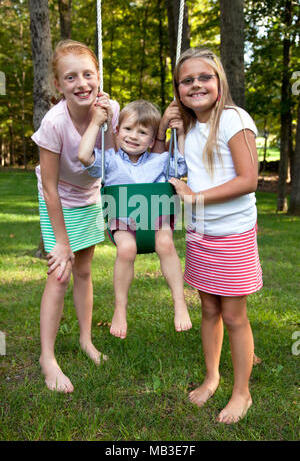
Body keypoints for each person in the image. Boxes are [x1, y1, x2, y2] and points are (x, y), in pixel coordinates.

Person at [168, 48, 263, 424]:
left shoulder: (234, 119)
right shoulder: (189, 127)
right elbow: (167, 162)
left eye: (204, 77)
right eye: (187, 80)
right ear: (178, 90)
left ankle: (243, 393)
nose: (196, 85)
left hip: (233, 234)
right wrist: (165, 124)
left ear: (219, 81)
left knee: (235, 316)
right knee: (208, 309)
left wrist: (197, 197)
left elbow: (248, 179)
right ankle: (212, 376)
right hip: (200, 233)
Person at [31, 40, 119, 393]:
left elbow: (121, 154)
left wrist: (103, 120)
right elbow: (50, 188)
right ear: (59, 85)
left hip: (89, 196)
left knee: (84, 270)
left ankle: (85, 340)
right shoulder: (53, 123)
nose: (81, 83)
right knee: (60, 274)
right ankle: (47, 358)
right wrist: (62, 240)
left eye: (88, 74)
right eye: (71, 78)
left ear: (98, 77)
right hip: (59, 199)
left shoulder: (110, 109)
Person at [78, 99, 192, 340]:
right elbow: (83, 155)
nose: (134, 136)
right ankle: (120, 308)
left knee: (166, 243)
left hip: (155, 217)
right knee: (127, 249)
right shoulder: (109, 161)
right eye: (128, 129)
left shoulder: (159, 161)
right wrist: (97, 123)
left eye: (142, 132)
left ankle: (180, 302)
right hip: (121, 219)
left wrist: (179, 133)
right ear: (117, 132)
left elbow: (182, 164)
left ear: (152, 141)